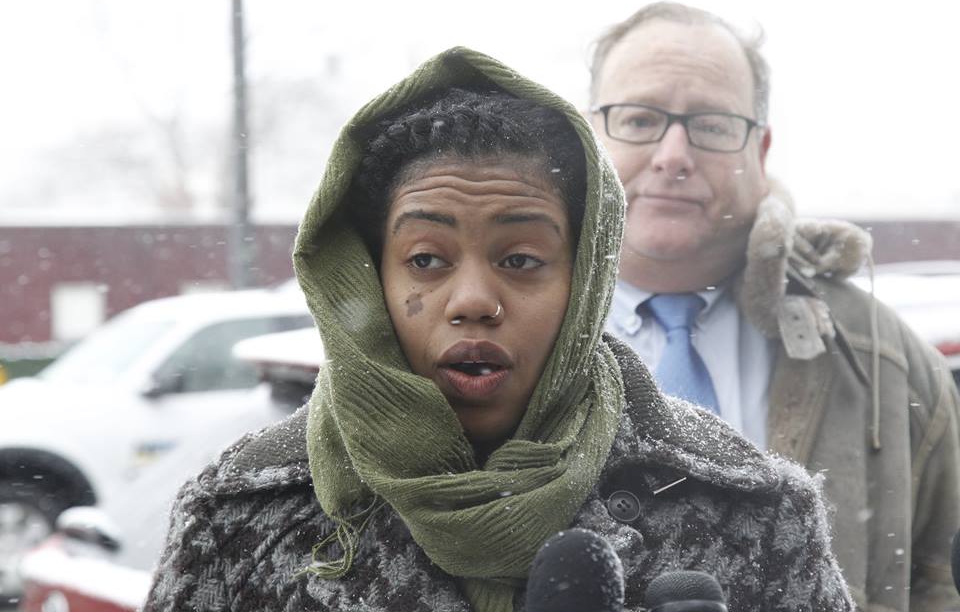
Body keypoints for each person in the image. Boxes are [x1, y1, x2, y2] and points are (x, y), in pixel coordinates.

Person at [144, 47, 853, 611]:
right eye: (426, 260)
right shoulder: (240, 518)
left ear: (583, 279)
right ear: (369, 280)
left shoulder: (750, 510)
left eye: (520, 260)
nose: (474, 301)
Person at [591, 2, 960, 610]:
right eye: (638, 119)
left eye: (712, 125)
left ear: (760, 151)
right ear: (589, 135)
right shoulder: (499, 339)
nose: (673, 155)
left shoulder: (886, 364)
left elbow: (941, 584)